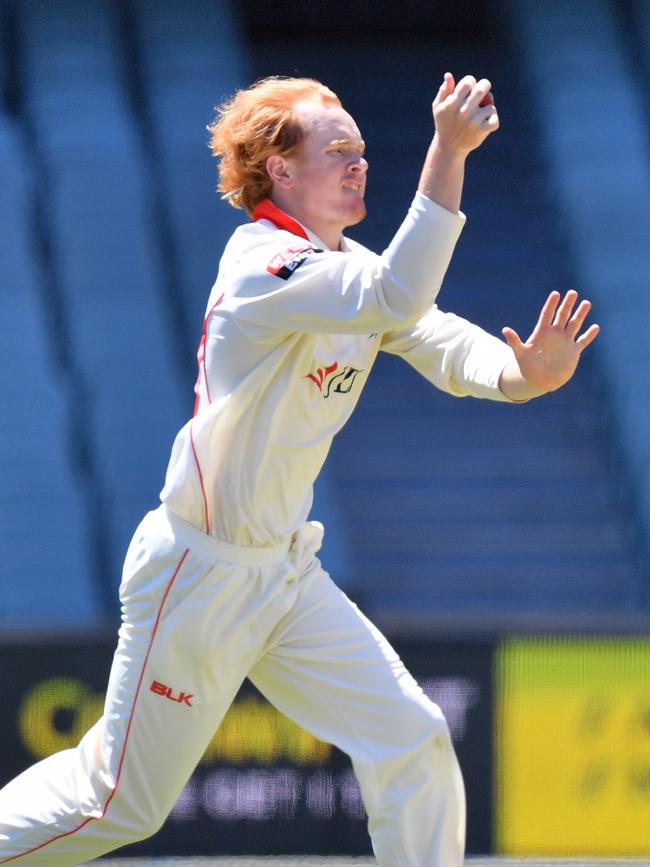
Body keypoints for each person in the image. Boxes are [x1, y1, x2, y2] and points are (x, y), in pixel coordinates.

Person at [0, 74, 598, 866]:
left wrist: (527, 377)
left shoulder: (342, 266)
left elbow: (438, 335)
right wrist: (448, 150)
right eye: (336, 150)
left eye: (361, 149)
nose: (358, 163)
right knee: (119, 804)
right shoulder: (263, 264)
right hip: (200, 577)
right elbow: (396, 296)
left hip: (284, 575)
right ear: (280, 172)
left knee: (412, 738)